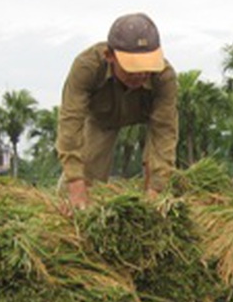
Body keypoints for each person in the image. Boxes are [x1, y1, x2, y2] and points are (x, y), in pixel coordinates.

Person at [57, 12, 178, 209]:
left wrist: (156, 190)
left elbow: (164, 132)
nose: (141, 74)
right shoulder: (87, 67)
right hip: (101, 120)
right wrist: (76, 186)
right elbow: (70, 126)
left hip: (147, 115)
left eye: (146, 67)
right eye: (133, 68)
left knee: (158, 186)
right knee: (85, 187)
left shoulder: (163, 78)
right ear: (109, 56)